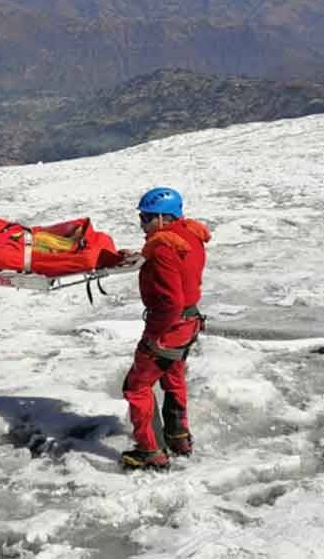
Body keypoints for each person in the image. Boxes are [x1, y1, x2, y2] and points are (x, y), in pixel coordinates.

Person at [121, 187, 211, 470]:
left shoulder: (162, 247)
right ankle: (178, 436)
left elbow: (171, 301)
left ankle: (150, 450)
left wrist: (154, 337)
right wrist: (143, 255)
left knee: (137, 386)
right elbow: (180, 267)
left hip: (169, 327)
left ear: (162, 217)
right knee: (173, 378)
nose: (142, 224)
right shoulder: (189, 236)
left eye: (146, 218)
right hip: (189, 324)